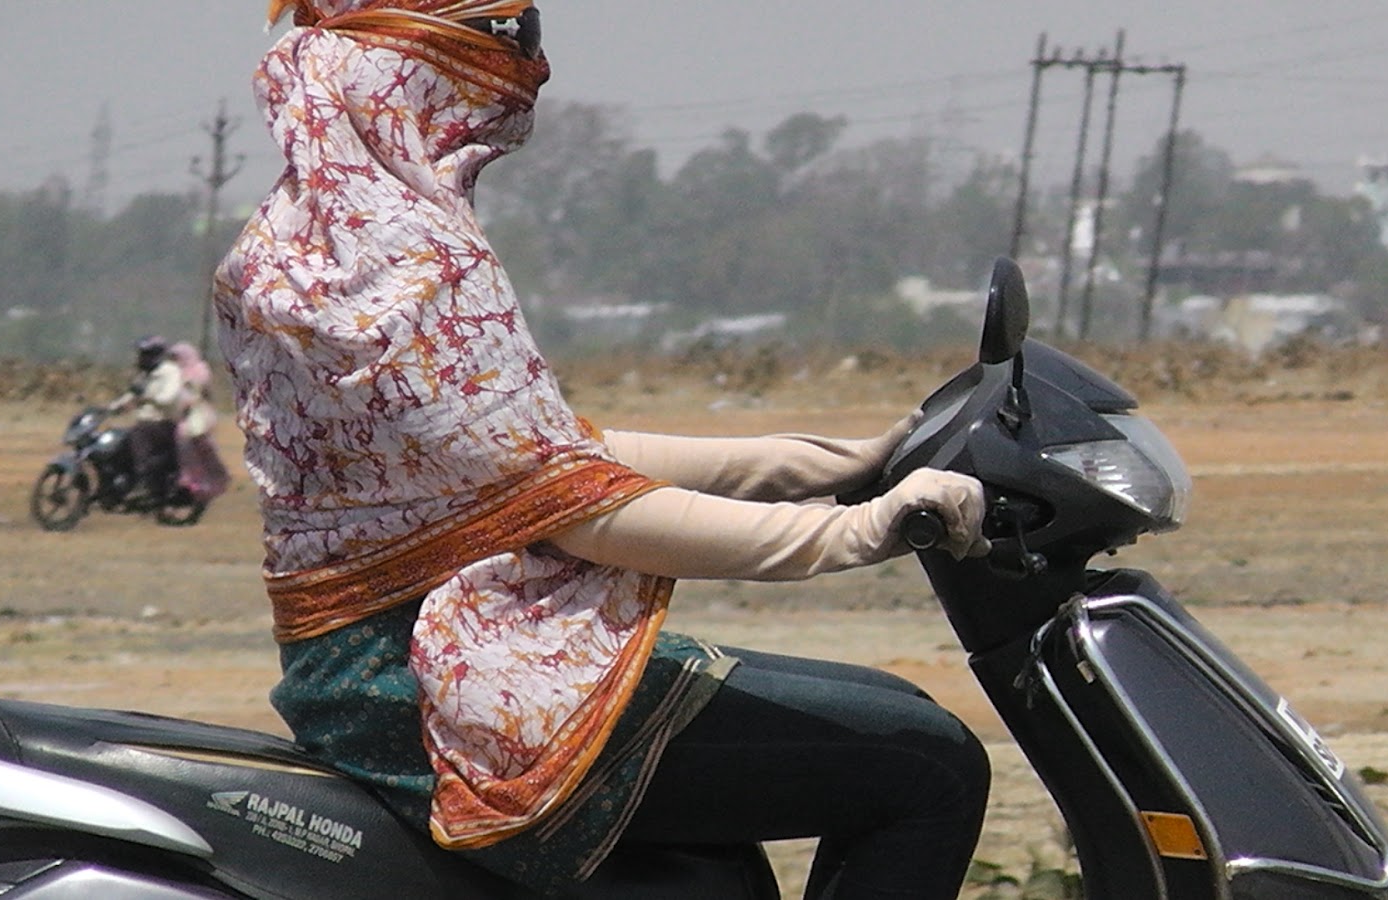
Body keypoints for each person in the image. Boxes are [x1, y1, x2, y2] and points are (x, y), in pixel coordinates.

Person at [213, 3, 991, 898]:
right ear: (416, 76)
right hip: (440, 681)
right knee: (929, 766)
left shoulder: (303, 244)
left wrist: (841, 463)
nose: (518, 87)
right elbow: (581, 512)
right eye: (498, 57)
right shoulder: (405, 258)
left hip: (374, 670)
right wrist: (861, 533)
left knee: (901, 713)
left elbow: (535, 460)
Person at [106, 335, 185, 502]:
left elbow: (168, 398)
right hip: (147, 425)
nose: (141, 358)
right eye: (141, 354)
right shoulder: (145, 375)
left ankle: (143, 484)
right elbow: (132, 395)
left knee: (138, 434)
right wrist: (111, 408)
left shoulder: (171, 372)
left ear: (156, 355)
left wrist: (147, 397)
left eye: (145, 354)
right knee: (116, 442)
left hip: (164, 424)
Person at [166, 341, 232, 504]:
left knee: (203, 449)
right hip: (185, 417)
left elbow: (199, 391)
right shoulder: (175, 373)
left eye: (177, 357)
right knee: (188, 453)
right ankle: (194, 484)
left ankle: (214, 481)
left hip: (197, 416)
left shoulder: (199, 369)